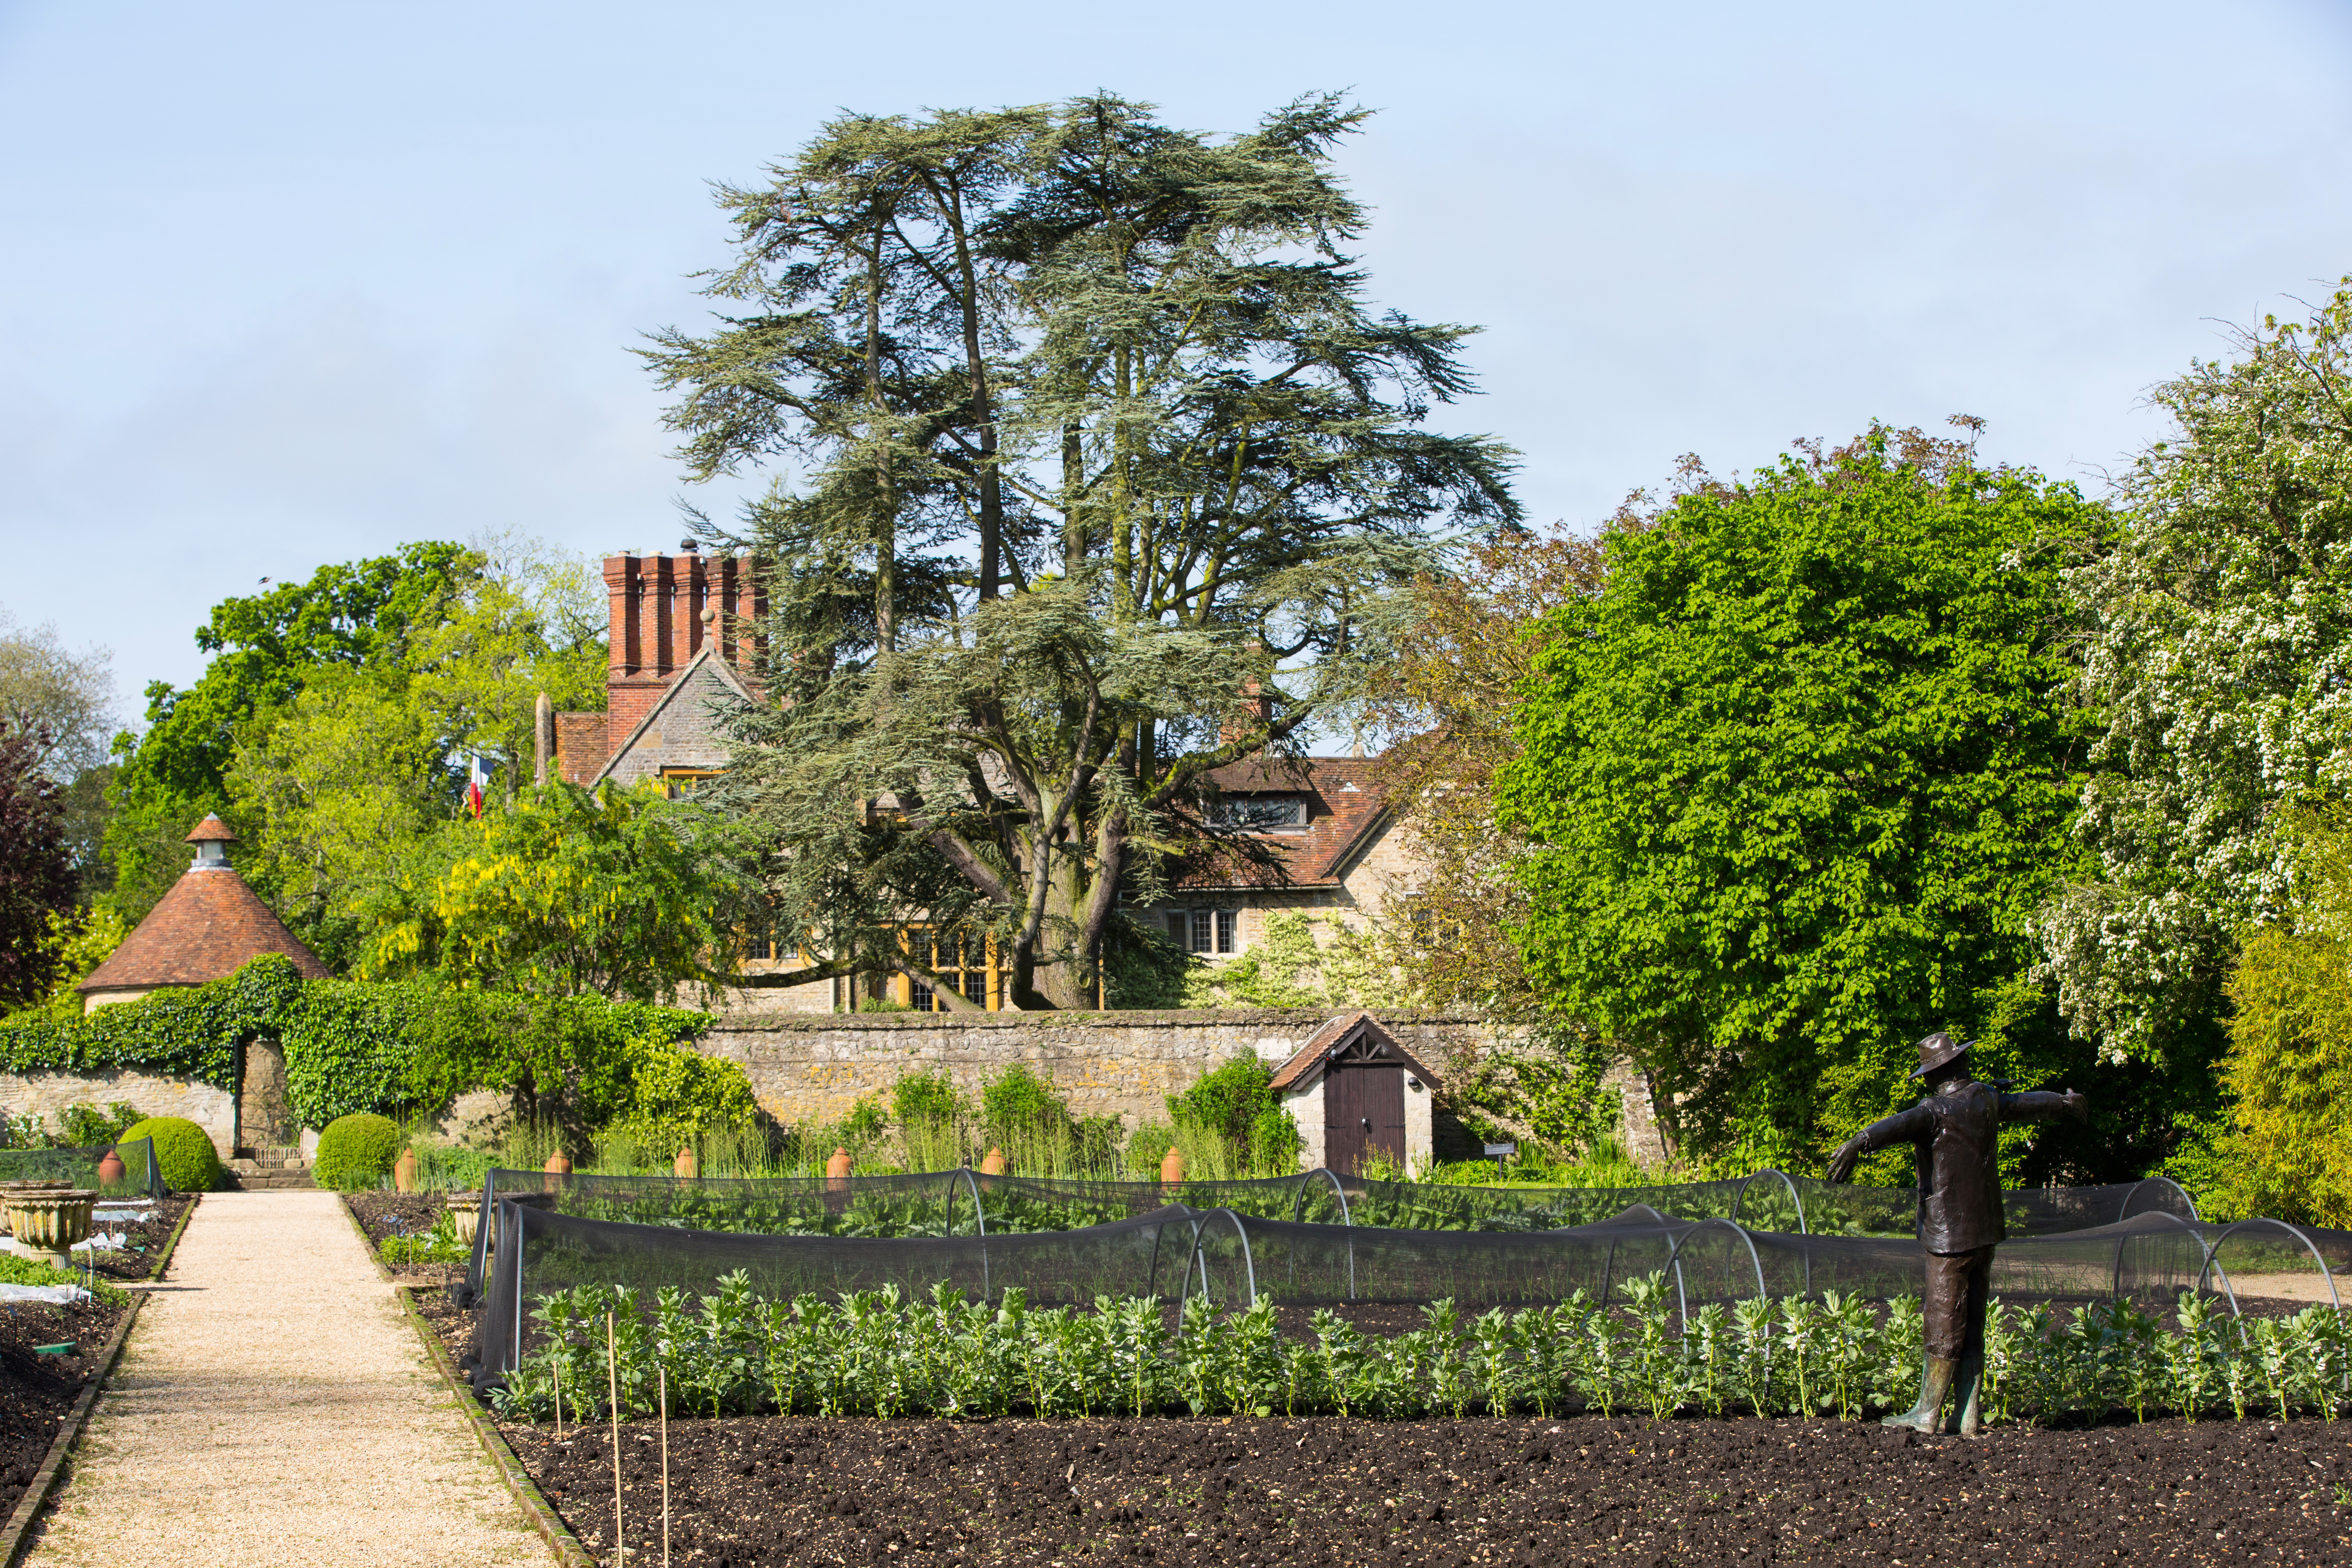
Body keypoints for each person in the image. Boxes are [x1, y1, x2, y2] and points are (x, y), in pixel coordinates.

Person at [1825, 1031, 2087, 1435]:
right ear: (1961, 1066)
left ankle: (1927, 1413)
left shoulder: (1934, 1111)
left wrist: (1859, 1142)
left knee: (1944, 1322)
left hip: (1950, 1239)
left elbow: (1898, 1124)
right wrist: (2065, 1103)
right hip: (1986, 1232)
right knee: (1974, 1322)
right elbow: (2029, 1103)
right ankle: (1967, 1415)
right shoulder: (1986, 1098)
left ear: (1934, 1075)